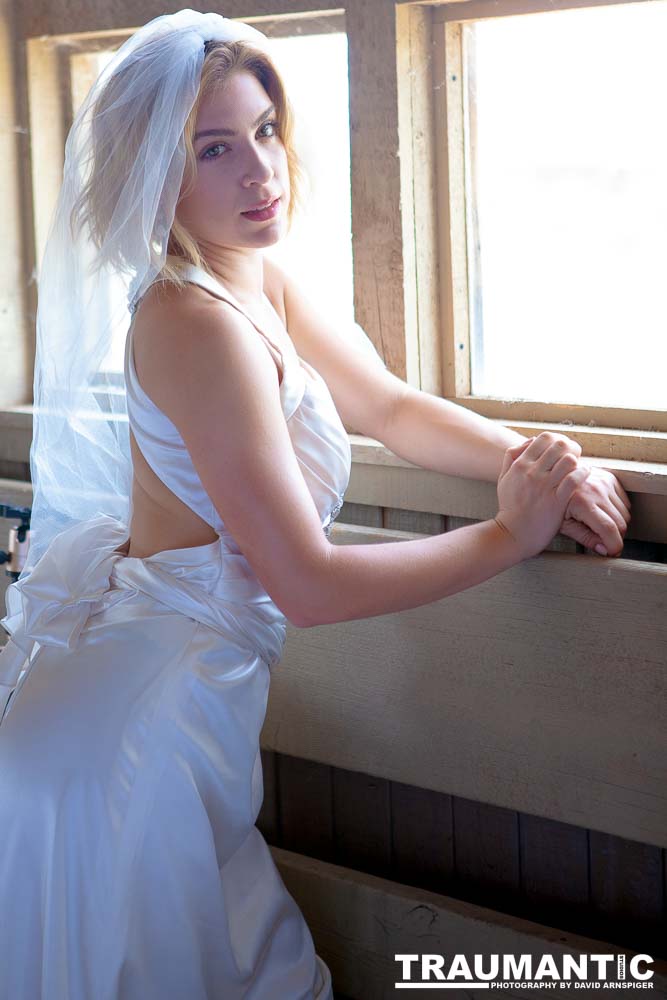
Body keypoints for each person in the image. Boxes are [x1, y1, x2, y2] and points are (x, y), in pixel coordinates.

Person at [0, 9, 631, 1000]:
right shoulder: (193, 323)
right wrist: (512, 532)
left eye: (263, 130)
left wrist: (538, 459)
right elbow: (306, 584)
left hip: (171, 703)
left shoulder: (252, 283)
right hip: (138, 732)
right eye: (214, 148)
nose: (262, 170)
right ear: (153, 175)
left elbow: (388, 406)